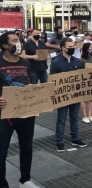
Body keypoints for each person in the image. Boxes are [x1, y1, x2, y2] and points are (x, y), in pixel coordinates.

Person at [0, 32, 55, 188]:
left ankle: (25, 180)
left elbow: (29, 85)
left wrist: (45, 93)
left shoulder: (25, 63)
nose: (19, 43)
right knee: (1, 152)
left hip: (25, 113)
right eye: (15, 41)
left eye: (19, 40)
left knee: (27, 148)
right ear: (5, 45)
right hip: (4, 115)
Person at [50, 37, 87, 152]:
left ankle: (75, 139)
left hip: (75, 95)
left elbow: (82, 79)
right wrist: (53, 93)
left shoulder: (78, 61)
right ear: (63, 48)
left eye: (73, 46)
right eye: (70, 47)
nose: (72, 48)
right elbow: (52, 81)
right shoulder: (56, 62)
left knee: (75, 118)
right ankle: (59, 141)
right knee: (61, 119)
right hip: (62, 97)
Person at [80, 43, 92, 123]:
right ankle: (84, 116)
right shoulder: (81, 60)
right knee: (84, 99)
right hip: (84, 80)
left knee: (91, 98)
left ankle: (90, 115)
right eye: (90, 48)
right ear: (86, 49)